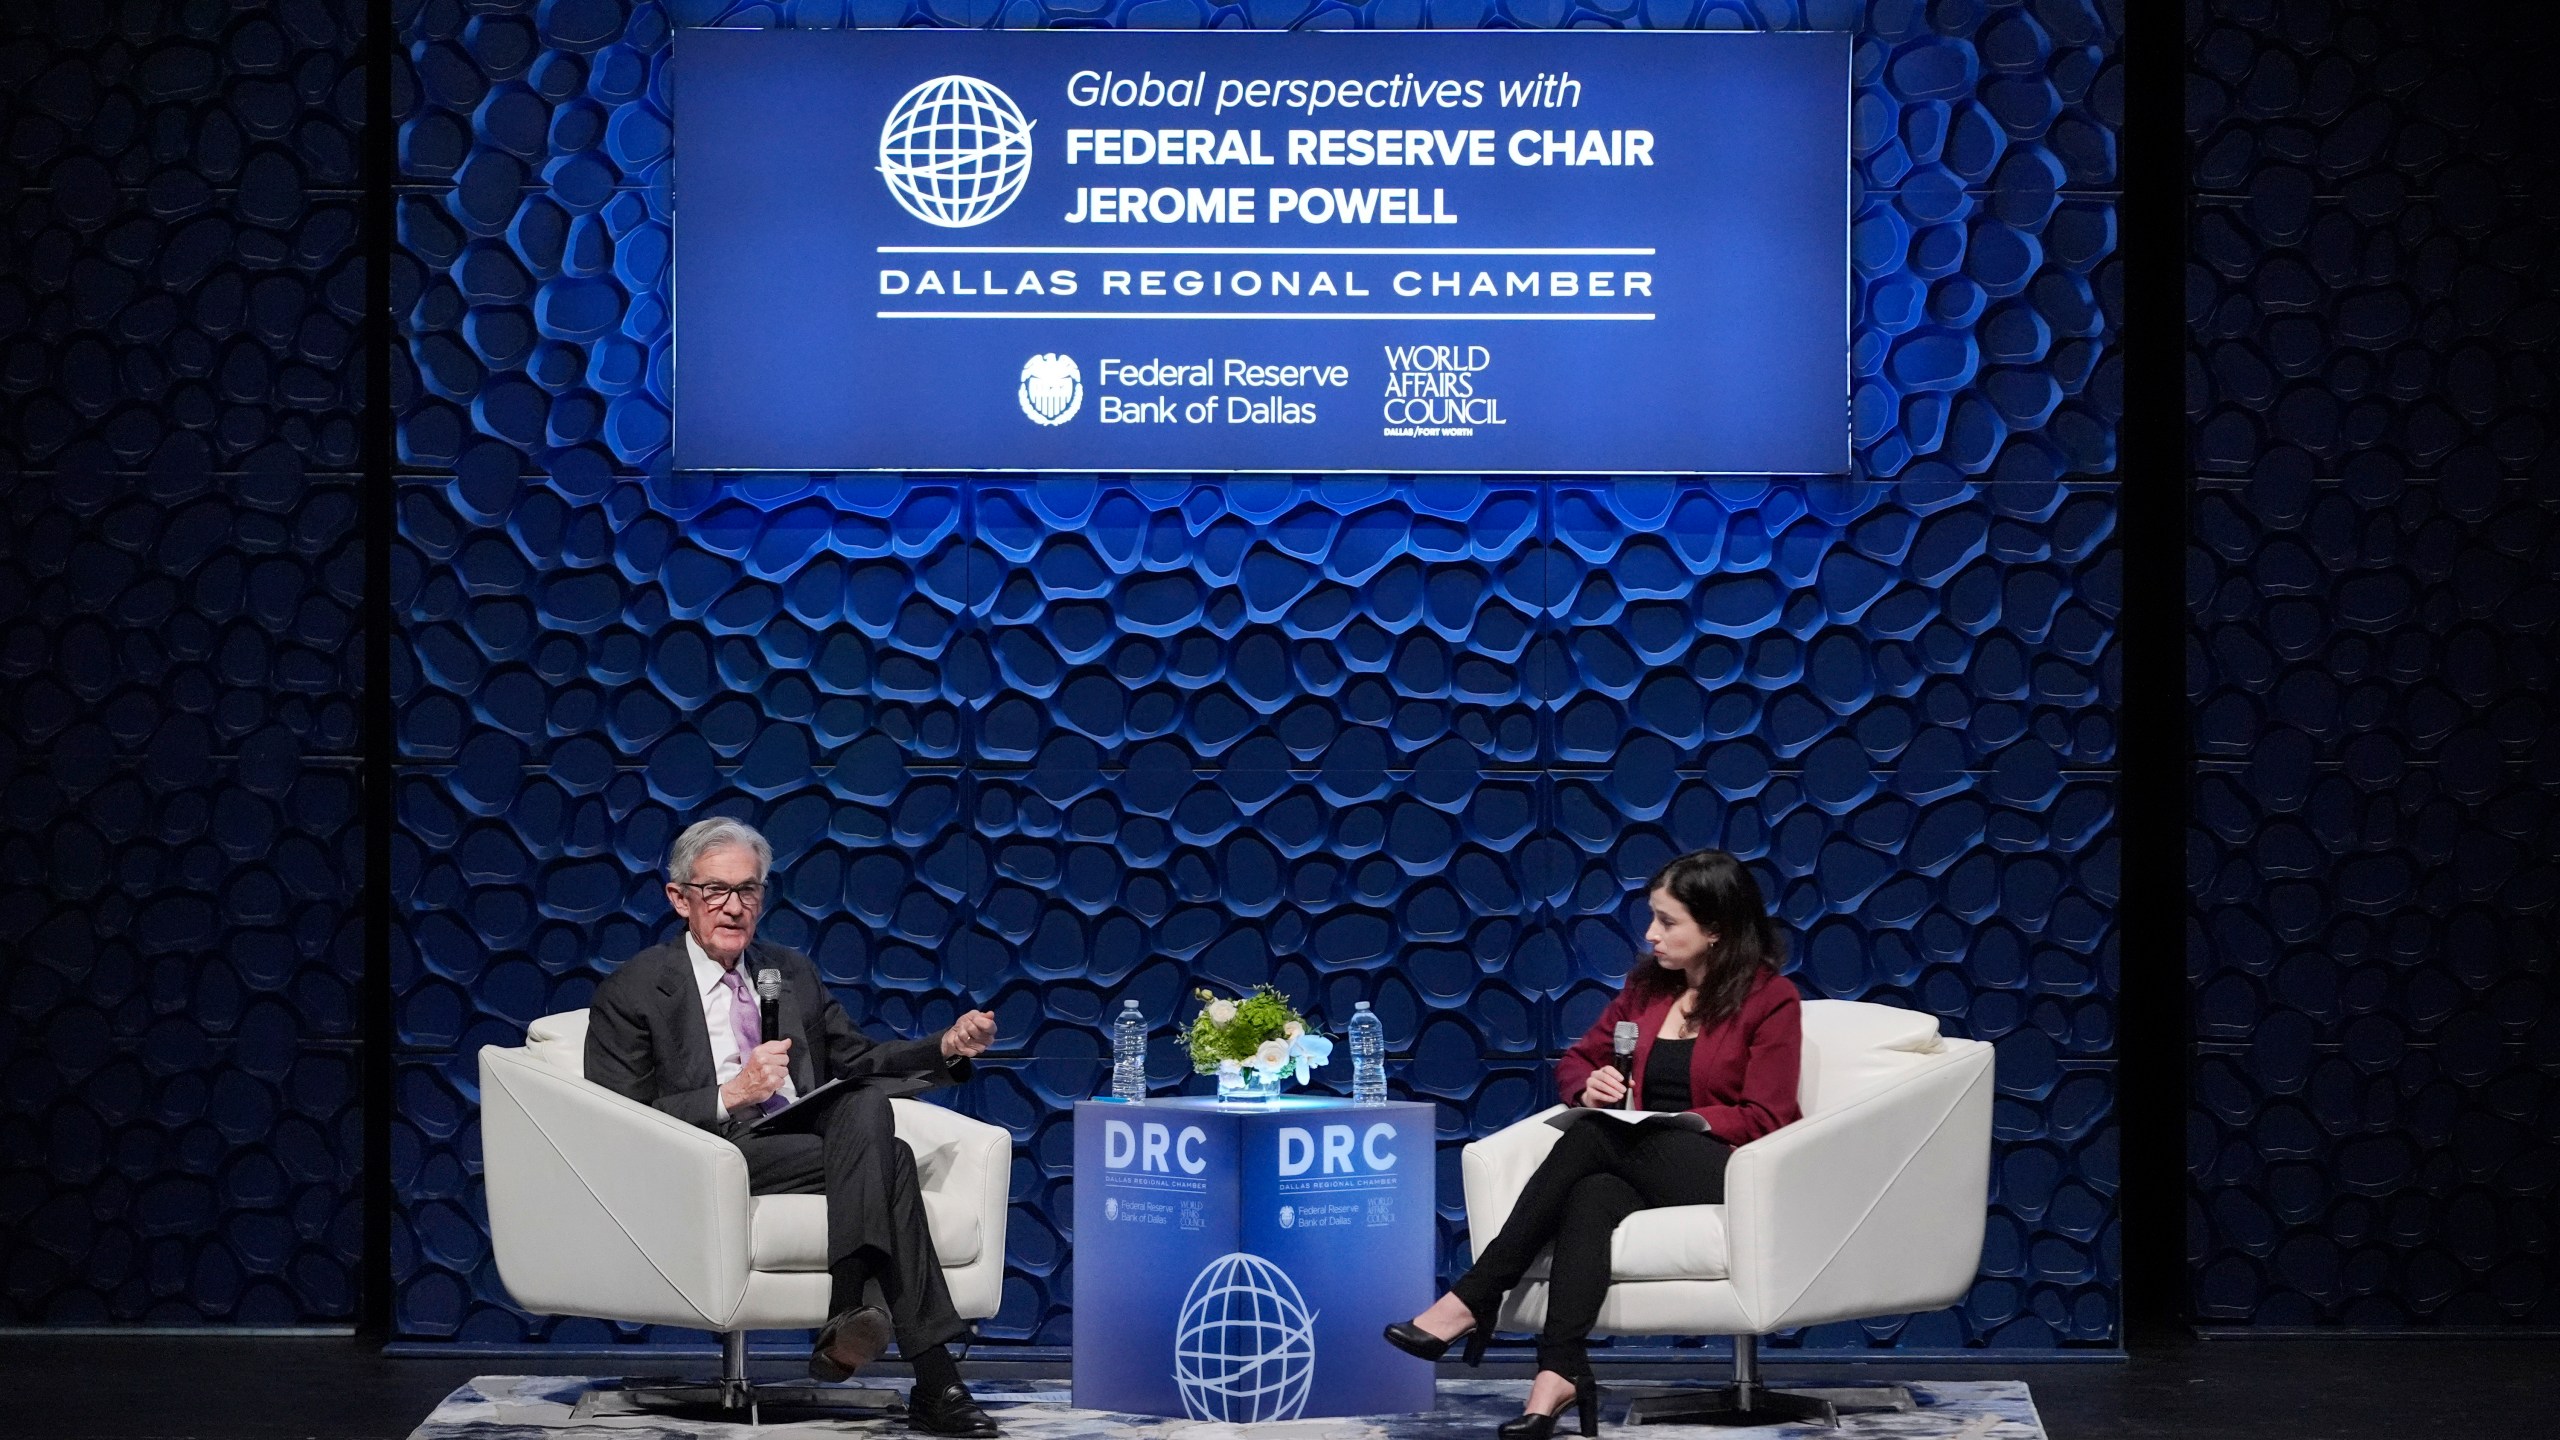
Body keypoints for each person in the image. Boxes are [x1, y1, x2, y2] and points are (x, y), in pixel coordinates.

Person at [585, 817, 1004, 1436]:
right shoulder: (635, 988)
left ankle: (848, 1311)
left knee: (867, 1109)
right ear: (680, 899)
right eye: (716, 892)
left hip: (799, 1139)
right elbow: (616, 1120)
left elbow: (858, 1062)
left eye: (748, 891)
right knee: (885, 1158)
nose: (734, 908)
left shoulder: (789, 971)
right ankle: (932, 1379)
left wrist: (945, 1047)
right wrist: (731, 1094)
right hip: (710, 1149)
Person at [1382, 849, 1804, 1439]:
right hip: (1638, 1162)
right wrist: (1591, 1084)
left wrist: (1680, 1121)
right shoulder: (1648, 990)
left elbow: (1769, 1114)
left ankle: (1476, 1294)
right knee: (1592, 1193)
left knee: (1595, 1136)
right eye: (1652, 917)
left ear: (1717, 930)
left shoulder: (1770, 999)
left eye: (1668, 922)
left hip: (1729, 1168)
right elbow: (1580, 1060)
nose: (1652, 934)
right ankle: (1558, 1373)